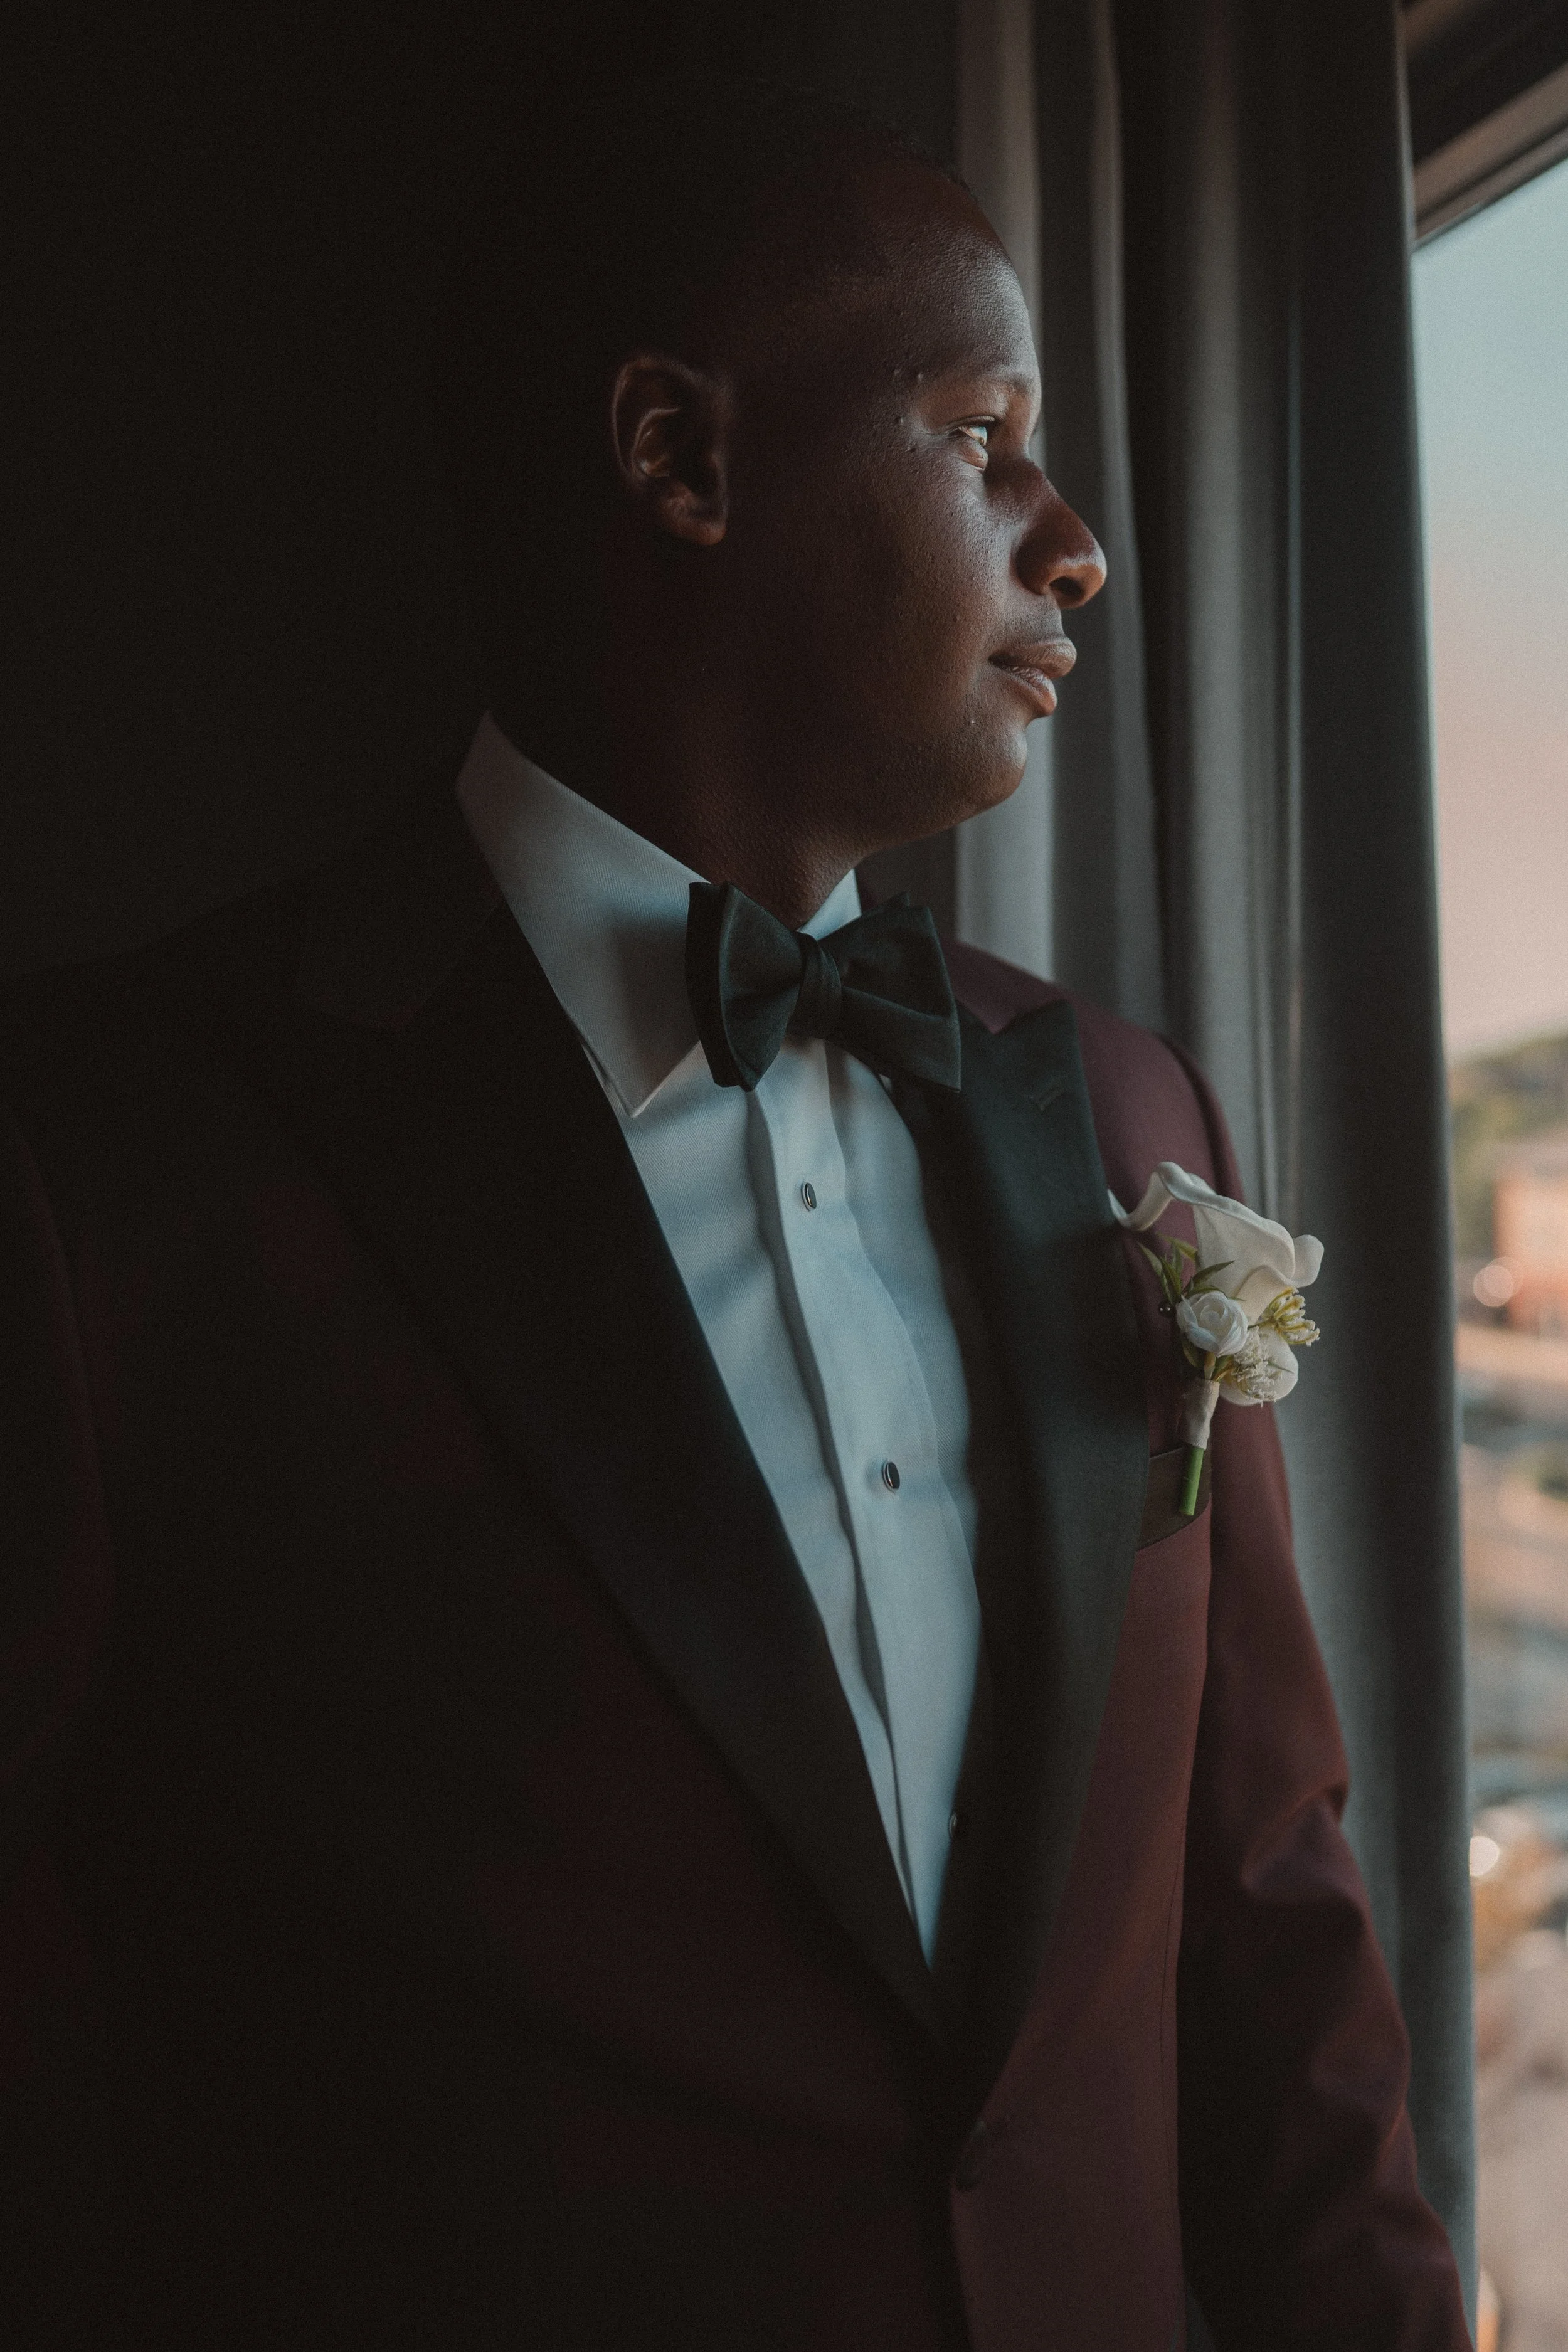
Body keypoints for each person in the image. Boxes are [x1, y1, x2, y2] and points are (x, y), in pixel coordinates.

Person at [1, 74, 1468, 2351]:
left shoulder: (1124, 1103)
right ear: (678, 459)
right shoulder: (113, 1157)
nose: (1071, 539)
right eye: (982, 437)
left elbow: (1269, 1902)